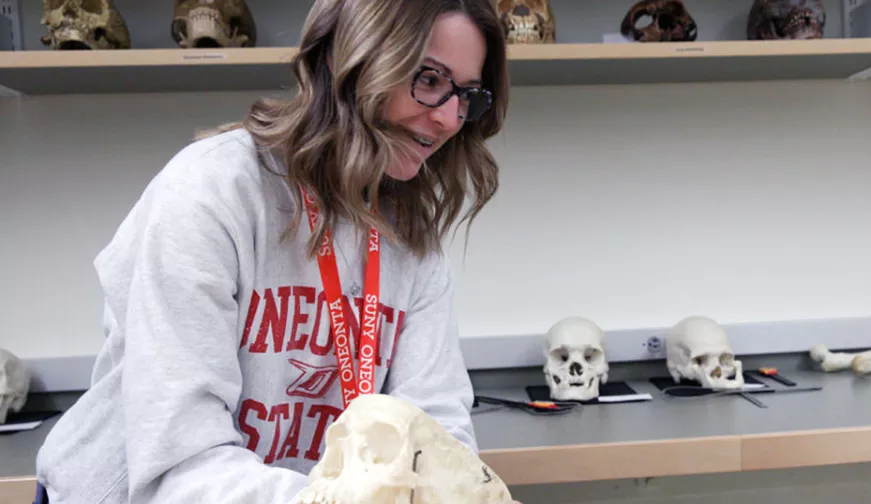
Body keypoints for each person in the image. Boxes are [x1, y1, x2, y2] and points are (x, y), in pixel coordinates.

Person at [33, 0, 512, 502]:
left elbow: (436, 439)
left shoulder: (412, 236)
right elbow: (180, 468)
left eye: (467, 96)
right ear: (347, 59)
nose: (449, 118)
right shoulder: (211, 191)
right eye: (429, 79)